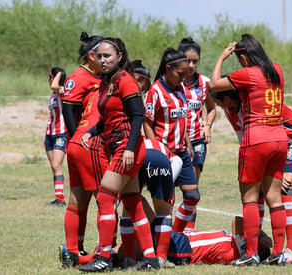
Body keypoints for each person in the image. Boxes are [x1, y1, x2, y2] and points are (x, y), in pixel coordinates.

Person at [79, 37, 159, 272]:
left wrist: (129, 148)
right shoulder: (108, 82)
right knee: (132, 203)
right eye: (100, 56)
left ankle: (103, 257)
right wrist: (91, 131)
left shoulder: (126, 80)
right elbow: (108, 118)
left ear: (119, 57)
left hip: (127, 149)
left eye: (108, 56)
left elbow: (137, 116)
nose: (103, 60)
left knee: (104, 198)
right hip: (120, 147)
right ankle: (151, 258)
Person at [210, 90, 292, 264]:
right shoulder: (230, 111)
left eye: (216, 101)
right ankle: (255, 247)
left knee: (284, 192)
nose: (217, 105)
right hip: (271, 144)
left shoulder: (255, 105)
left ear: (226, 99)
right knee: (256, 192)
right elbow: (243, 137)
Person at [210, 34, 288, 266]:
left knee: (250, 198)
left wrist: (222, 57)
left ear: (243, 56)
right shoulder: (277, 70)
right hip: (279, 138)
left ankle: (251, 253)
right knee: (274, 196)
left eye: (238, 58)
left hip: (256, 139)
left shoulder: (248, 73)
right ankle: (279, 252)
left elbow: (214, 84)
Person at [60, 214, 272, 269]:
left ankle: (79, 259)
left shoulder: (236, 252)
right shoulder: (238, 243)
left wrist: (260, 240)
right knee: (137, 204)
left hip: (182, 251)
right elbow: (241, 222)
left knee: (130, 248)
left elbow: (239, 220)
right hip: (180, 239)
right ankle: (83, 258)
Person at [60, 33, 108, 263]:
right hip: (87, 143)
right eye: (102, 55)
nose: (106, 59)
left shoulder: (100, 76)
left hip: (78, 144)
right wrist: (78, 137)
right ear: (91, 56)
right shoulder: (79, 77)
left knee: (79, 199)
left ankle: (74, 250)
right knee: (104, 198)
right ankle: (104, 252)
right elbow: (68, 110)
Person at [143, 47, 200, 233]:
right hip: (164, 154)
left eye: (185, 75)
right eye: (179, 74)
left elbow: (181, 118)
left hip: (182, 152)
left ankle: (175, 234)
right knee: (166, 203)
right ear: (168, 68)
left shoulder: (180, 88)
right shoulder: (155, 91)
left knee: (192, 195)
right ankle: (161, 238)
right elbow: (147, 122)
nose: (183, 78)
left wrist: (189, 143)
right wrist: (156, 150)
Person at [120, 138, 183, 268]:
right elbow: (178, 161)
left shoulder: (131, 143)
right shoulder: (167, 151)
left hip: (136, 158)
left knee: (128, 207)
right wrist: (166, 188)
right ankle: (161, 258)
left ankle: (129, 258)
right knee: (164, 210)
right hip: (160, 159)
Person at [178, 37, 216, 231]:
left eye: (195, 61)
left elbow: (211, 108)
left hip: (198, 141)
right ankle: (167, 230)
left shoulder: (205, 83)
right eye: (187, 60)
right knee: (169, 188)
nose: (191, 65)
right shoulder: (173, 82)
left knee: (192, 189)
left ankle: (188, 231)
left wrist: (207, 125)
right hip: (175, 143)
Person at [45, 67, 67, 206]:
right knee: (53, 167)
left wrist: (59, 74)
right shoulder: (52, 96)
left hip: (61, 133)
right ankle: (58, 197)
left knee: (56, 164)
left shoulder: (63, 92)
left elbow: (55, 85)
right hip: (49, 134)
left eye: (49, 77)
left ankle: (61, 199)